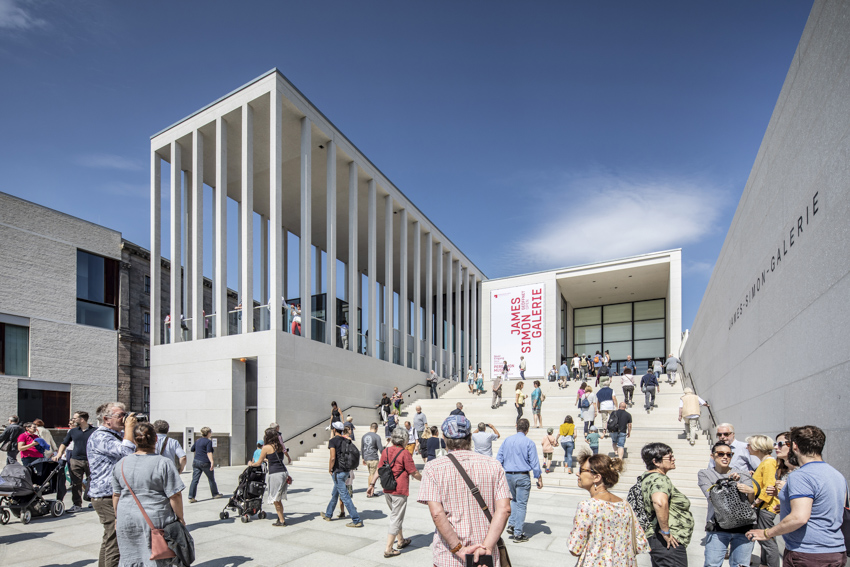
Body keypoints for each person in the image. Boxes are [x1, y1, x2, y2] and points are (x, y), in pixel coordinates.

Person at [746, 425, 847, 565]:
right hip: (836, 552)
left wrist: (766, 533)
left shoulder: (800, 476)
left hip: (807, 554)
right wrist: (786, 505)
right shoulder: (837, 475)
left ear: (794, 446)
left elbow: (799, 518)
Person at [418, 415, 511, 566]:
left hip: (450, 556)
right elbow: (505, 509)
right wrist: (486, 546)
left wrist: (460, 550)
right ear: (470, 436)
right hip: (485, 556)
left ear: (444, 438)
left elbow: (437, 513)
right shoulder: (494, 465)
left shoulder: (432, 468)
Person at [111, 422, 185, 566]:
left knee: (130, 557)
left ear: (134, 440)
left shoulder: (121, 463)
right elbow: (174, 495)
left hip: (125, 516)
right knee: (155, 558)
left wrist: (116, 517)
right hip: (155, 518)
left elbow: (116, 494)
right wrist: (180, 518)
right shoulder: (164, 463)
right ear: (156, 439)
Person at [568, 451, 648, 566]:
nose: (577, 474)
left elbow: (575, 548)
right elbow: (640, 543)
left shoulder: (587, 506)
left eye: (581, 470)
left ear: (596, 477)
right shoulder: (625, 505)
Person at [88, 402, 137, 567]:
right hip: (106, 495)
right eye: (120, 416)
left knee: (110, 539)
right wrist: (129, 429)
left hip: (112, 494)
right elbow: (127, 453)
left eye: (125, 415)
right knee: (116, 540)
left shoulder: (115, 435)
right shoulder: (101, 436)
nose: (124, 419)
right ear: (106, 419)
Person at [698, 441, 756, 567]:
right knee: (712, 564)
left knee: (741, 565)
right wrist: (729, 482)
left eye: (729, 454)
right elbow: (712, 496)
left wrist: (751, 492)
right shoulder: (705, 474)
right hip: (717, 526)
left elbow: (750, 501)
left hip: (744, 526)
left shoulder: (743, 474)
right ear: (712, 456)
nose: (725, 457)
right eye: (720, 454)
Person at [367, 427, 421, 557]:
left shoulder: (385, 451)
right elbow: (413, 472)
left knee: (396, 514)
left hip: (387, 488)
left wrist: (372, 484)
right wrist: (424, 480)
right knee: (396, 517)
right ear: (404, 440)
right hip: (399, 489)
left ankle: (401, 540)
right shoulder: (405, 453)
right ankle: (389, 548)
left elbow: (379, 469)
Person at [639, 442, 694, 567]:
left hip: (657, 541)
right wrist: (665, 531)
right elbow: (659, 502)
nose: (673, 459)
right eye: (669, 457)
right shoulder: (660, 479)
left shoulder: (647, 478)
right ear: (656, 462)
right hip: (668, 542)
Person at [496, 418, 543, 543]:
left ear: (516, 427)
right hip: (522, 475)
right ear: (527, 430)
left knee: (514, 500)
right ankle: (518, 533)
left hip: (508, 475)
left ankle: (511, 524)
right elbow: (534, 462)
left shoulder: (507, 440)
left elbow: (499, 458)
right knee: (521, 504)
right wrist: (538, 477)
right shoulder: (529, 442)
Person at [747, 434, 780, 567]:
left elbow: (769, 486)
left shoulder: (769, 462)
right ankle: (764, 563)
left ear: (757, 447)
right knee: (764, 539)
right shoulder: (766, 462)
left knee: (767, 541)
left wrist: (755, 503)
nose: (747, 447)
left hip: (765, 507)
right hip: (763, 507)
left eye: (749, 444)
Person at [321, 421, 363, 527]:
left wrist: (330, 469)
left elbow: (333, 457)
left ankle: (356, 520)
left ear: (334, 430)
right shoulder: (345, 439)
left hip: (338, 471)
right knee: (335, 494)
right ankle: (328, 514)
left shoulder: (333, 441)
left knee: (344, 496)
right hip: (346, 471)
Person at [53, 411, 97, 512]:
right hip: (75, 460)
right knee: (75, 483)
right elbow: (64, 443)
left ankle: (93, 501)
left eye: (75, 418)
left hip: (91, 460)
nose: (73, 420)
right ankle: (77, 504)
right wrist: (59, 454)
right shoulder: (73, 431)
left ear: (82, 419)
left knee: (93, 481)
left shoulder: (95, 431)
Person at [249, 427, 291, 526]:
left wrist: (251, 464)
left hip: (275, 474)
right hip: (283, 472)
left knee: (276, 499)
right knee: (278, 498)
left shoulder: (266, 447)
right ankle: (280, 517)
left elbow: (259, 462)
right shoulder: (279, 445)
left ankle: (281, 521)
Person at [188, 427, 223, 503]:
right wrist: (212, 462)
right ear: (208, 433)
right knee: (211, 479)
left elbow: (192, 449)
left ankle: (191, 497)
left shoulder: (198, 441)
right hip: (205, 462)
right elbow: (209, 452)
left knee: (195, 480)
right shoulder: (208, 442)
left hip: (196, 461)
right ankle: (215, 494)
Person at [360, 423, 384, 493]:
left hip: (367, 457)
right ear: (377, 428)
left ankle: (370, 489)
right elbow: (381, 449)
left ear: (370, 427)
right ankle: (370, 491)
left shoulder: (364, 436)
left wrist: (363, 458)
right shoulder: (377, 436)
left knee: (371, 473)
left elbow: (362, 448)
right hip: (373, 457)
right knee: (372, 474)